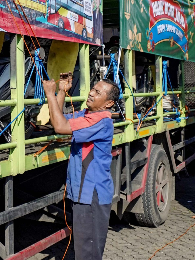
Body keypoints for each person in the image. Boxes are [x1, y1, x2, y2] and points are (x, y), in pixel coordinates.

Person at [42, 74, 119, 260]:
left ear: (108, 103)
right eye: (92, 89)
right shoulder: (87, 114)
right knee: (84, 249)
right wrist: (61, 92)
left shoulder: (101, 120)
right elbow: (57, 119)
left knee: (88, 253)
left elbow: (60, 127)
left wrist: (50, 94)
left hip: (92, 195)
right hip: (83, 193)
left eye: (97, 92)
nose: (91, 93)